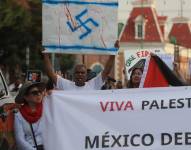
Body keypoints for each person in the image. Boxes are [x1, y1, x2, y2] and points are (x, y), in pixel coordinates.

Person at [42, 41, 119, 90]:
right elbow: (51, 74)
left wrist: (113, 53)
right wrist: (45, 55)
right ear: (73, 74)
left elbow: (106, 71)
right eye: (77, 72)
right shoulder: (66, 85)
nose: (80, 74)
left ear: (86, 75)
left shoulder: (93, 85)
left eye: (82, 73)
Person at [14, 81, 45, 150]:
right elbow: (20, 140)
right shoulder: (18, 115)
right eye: (34, 93)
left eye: (40, 91)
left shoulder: (46, 110)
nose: (39, 94)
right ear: (26, 97)